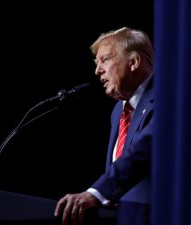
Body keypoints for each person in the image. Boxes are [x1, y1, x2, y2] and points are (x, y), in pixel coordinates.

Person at [54, 27, 154, 225]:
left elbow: (142, 152)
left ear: (133, 62)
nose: (97, 70)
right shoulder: (119, 110)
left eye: (105, 60)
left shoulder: (166, 97)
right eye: (96, 63)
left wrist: (96, 193)